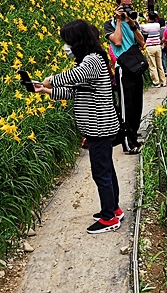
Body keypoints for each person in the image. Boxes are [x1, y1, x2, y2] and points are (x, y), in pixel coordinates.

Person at [35, 20, 123, 234]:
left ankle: (109, 217)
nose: (66, 47)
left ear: (78, 42)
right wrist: (44, 90)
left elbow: (73, 77)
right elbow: (75, 91)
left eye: (68, 42)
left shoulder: (92, 61)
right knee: (107, 169)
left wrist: (50, 79)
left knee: (101, 172)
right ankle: (114, 209)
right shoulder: (88, 61)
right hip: (96, 127)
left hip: (99, 127)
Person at [104, 0, 146, 154]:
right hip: (123, 69)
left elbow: (142, 43)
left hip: (135, 67)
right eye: (124, 6)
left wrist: (132, 24)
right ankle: (128, 144)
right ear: (117, 6)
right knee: (126, 107)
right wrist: (119, 21)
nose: (128, 8)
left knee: (137, 106)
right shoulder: (109, 24)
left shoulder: (134, 22)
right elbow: (118, 41)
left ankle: (133, 136)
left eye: (130, 5)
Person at [140, 11, 166, 87]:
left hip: (150, 47)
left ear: (148, 18)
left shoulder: (145, 27)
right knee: (159, 65)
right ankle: (163, 81)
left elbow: (138, 26)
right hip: (158, 47)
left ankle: (156, 82)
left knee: (152, 66)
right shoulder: (157, 25)